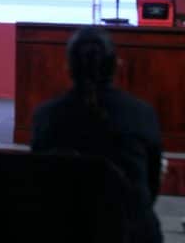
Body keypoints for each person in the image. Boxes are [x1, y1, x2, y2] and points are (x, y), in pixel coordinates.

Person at [31, 26, 162, 243]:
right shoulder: (142, 114)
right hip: (133, 233)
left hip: (63, 231)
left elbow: (40, 183)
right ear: (116, 65)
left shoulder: (45, 116)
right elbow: (150, 188)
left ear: (68, 67)